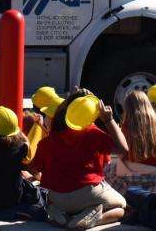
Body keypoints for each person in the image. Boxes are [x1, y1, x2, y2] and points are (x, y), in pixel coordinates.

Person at [34, 91, 130, 229]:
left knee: (58, 203)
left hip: (57, 197)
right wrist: (108, 119)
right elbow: (123, 149)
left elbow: (37, 167)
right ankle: (90, 220)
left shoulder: (51, 137)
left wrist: (73, 96)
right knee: (122, 206)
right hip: (89, 193)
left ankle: (58, 213)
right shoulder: (92, 132)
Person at [0, 106, 44, 221]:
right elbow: (27, 143)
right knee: (29, 185)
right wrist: (18, 130)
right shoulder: (20, 149)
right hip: (13, 199)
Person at [104, 90, 156, 195]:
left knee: (107, 171)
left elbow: (123, 153)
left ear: (127, 108)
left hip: (131, 169)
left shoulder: (126, 126)